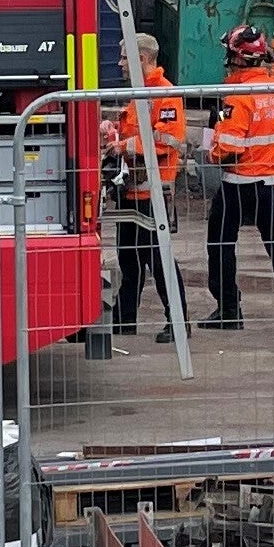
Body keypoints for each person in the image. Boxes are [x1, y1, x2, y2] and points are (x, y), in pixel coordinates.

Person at [201, 21, 274, 336]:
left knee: (221, 242)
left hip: (239, 186)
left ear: (237, 58)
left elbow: (227, 151)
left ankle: (228, 309)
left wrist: (210, 151)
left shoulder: (237, 97)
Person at [107, 34, 188, 338]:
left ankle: (178, 322)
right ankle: (124, 319)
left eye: (125, 58)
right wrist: (113, 131)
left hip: (153, 191)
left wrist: (123, 145)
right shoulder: (142, 93)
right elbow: (136, 132)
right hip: (133, 189)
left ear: (142, 59)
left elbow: (166, 141)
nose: (120, 64)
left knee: (158, 258)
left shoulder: (165, 95)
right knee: (128, 258)